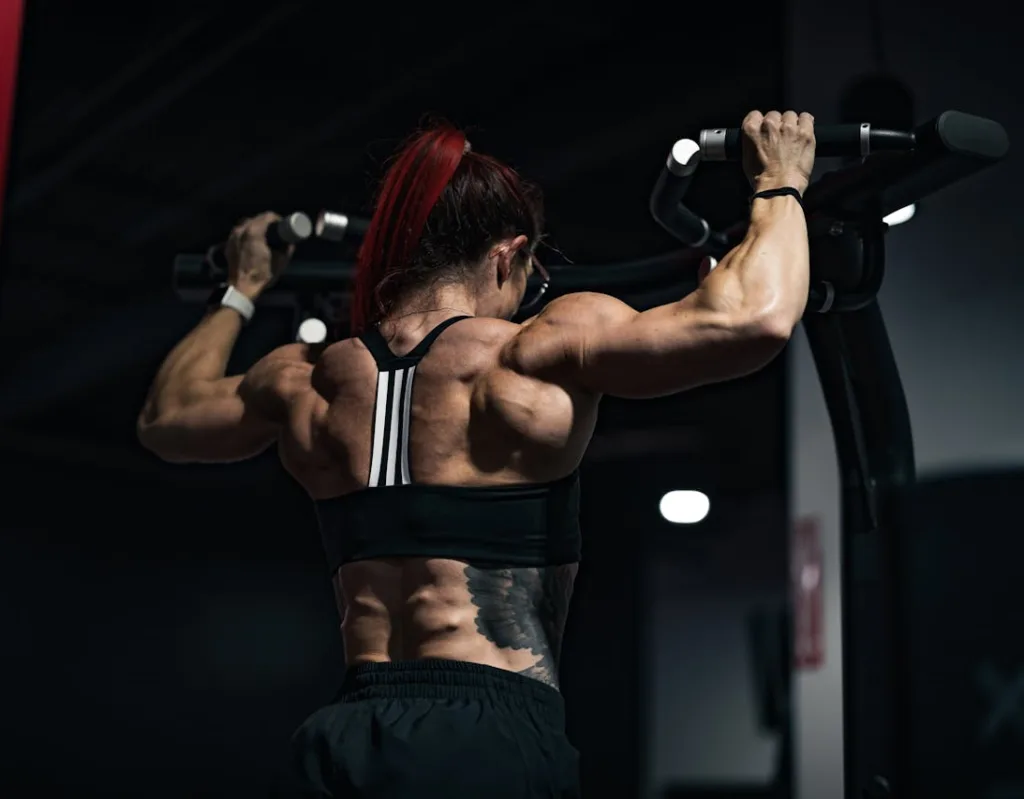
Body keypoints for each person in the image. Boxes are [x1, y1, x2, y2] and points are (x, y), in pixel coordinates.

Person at [137, 110, 816, 798]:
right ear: (505, 255)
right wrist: (781, 182)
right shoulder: (530, 353)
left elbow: (167, 417)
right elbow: (752, 316)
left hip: (347, 733)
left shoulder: (305, 378)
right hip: (488, 738)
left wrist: (241, 288)